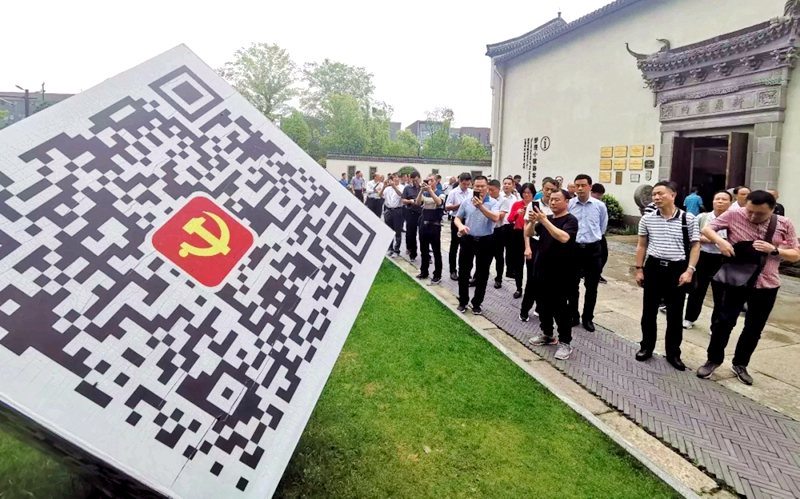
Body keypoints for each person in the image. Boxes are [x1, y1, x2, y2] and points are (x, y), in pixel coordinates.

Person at [697, 191, 800, 385]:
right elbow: (707, 229)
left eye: (759, 214)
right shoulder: (734, 214)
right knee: (723, 322)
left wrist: (775, 250)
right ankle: (713, 360)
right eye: (749, 211)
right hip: (737, 280)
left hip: (767, 283)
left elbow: (796, 254)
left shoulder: (784, 224)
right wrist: (721, 241)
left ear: (772, 209)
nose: (752, 216)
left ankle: (740, 364)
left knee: (754, 328)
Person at [634, 181, 700, 371]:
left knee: (675, 314)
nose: (656, 197)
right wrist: (639, 269)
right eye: (654, 194)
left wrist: (689, 270)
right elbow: (641, 245)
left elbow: (695, 246)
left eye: (660, 193)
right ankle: (646, 347)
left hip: (677, 269)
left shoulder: (688, 219)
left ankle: (673, 353)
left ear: (673, 195)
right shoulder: (647, 219)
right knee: (649, 312)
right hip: (653, 267)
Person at [526, 189, 580, 360]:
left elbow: (564, 238)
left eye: (557, 199)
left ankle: (565, 342)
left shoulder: (570, 220)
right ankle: (547, 334)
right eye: (551, 199)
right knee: (543, 305)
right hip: (541, 268)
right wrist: (532, 222)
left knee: (560, 308)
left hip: (560, 271)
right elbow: (529, 233)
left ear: (567, 202)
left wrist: (544, 221)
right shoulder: (546, 219)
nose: (553, 202)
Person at [683, 190, 733, 331]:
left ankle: (715, 325)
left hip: (723, 260)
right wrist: (719, 240)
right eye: (717, 199)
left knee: (720, 294)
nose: (720, 202)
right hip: (703, 257)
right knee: (697, 290)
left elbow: (733, 241)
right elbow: (693, 236)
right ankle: (689, 318)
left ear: (731, 203)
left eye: (724, 199)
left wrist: (708, 239)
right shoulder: (702, 217)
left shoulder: (734, 220)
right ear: (712, 201)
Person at [454, 176, 503, 315]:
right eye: (477, 186)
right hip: (468, 239)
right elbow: (457, 218)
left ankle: (477, 303)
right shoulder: (466, 202)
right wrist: (460, 226)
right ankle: (463, 301)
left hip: (486, 240)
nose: (480, 189)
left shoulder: (493, 203)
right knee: (464, 272)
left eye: (482, 186)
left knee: (482, 273)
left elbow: (495, 217)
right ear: (473, 187)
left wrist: (480, 206)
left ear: (487, 187)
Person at [568, 175, 608, 332]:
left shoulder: (599, 206)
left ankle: (588, 318)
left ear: (590, 187)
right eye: (577, 185)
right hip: (574, 249)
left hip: (593, 250)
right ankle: (573, 315)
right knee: (572, 285)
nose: (580, 188)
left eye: (583, 185)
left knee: (592, 287)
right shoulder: (570, 205)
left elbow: (602, 227)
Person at [507, 183, 535, 298]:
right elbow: (509, 219)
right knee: (518, 263)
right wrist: (516, 213)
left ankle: (530, 288)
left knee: (531, 263)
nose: (526, 195)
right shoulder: (517, 204)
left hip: (532, 235)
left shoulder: (535, 205)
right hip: (518, 234)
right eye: (524, 192)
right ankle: (519, 287)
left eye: (529, 193)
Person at [415, 174, 445, 284]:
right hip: (424, 223)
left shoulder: (440, 193)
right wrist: (421, 191)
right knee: (424, 249)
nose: (430, 182)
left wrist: (430, 191)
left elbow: (439, 202)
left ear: (436, 181)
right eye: (428, 180)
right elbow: (418, 202)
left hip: (435, 224)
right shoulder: (425, 193)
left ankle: (437, 274)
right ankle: (424, 271)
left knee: (436, 250)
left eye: (432, 180)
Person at [445, 173, 473, 281]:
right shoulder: (453, 192)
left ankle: (466, 271)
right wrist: (460, 205)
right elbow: (447, 207)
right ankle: (453, 270)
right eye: (464, 184)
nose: (466, 186)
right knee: (455, 245)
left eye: (468, 184)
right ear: (460, 182)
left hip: (468, 220)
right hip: (457, 219)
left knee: (468, 247)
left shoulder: (471, 192)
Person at [487, 180, 513, 289]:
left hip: (498, 230)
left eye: (492, 190)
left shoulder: (504, 201)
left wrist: (488, 213)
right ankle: (478, 276)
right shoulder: (486, 199)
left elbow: (500, 216)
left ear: (498, 189)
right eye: (488, 190)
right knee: (485, 255)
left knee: (499, 256)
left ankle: (498, 278)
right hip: (487, 230)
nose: (490, 192)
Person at [402, 171, 423, 261]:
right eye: (413, 180)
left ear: (420, 179)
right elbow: (403, 200)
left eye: (417, 180)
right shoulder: (407, 188)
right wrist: (410, 201)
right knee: (411, 233)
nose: (415, 182)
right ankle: (412, 253)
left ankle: (425, 254)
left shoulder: (423, 188)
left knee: (423, 234)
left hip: (421, 212)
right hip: (411, 212)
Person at [380, 175, 404, 256]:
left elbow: (401, 194)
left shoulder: (401, 187)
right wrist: (383, 187)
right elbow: (380, 195)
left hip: (397, 210)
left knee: (398, 230)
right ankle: (390, 248)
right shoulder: (387, 189)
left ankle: (397, 249)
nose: (396, 180)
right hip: (388, 210)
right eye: (394, 179)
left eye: (397, 178)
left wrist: (394, 187)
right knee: (389, 230)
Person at [591, 184, 610, 284]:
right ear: (592, 193)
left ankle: (597, 274)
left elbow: (603, 221)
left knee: (603, 255)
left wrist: (600, 234)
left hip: (598, 235)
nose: (599, 197)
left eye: (601, 195)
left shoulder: (600, 205)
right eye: (597, 194)